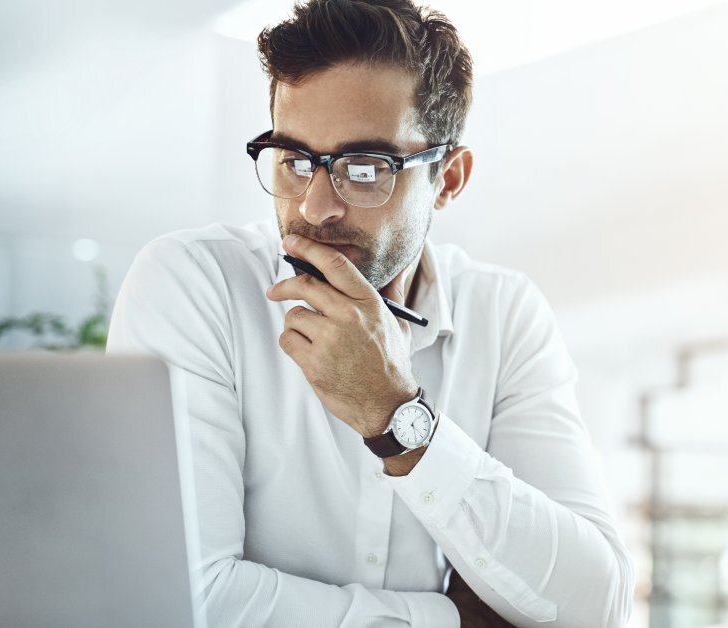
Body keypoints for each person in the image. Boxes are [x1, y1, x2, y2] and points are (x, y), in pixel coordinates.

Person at [107, 0, 633, 626]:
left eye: (364, 169)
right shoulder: (193, 284)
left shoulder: (503, 312)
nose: (317, 205)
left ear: (448, 178)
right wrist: (452, 620)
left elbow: (595, 604)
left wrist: (396, 416)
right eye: (295, 159)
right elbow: (179, 600)